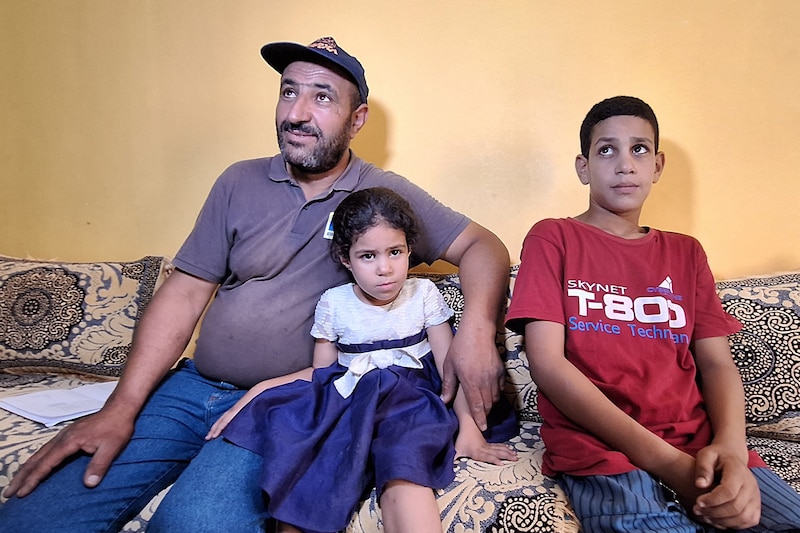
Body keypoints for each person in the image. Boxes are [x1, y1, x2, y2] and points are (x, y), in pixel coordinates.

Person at [0, 37, 512, 532]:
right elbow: (184, 294)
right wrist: (120, 406)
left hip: (285, 405)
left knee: (195, 526)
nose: (296, 113)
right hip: (190, 388)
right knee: (37, 514)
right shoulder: (237, 182)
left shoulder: (381, 196)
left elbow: (483, 247)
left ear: (357, 120)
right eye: (289, 91)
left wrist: (474, 330)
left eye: (322, 97)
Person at [505, 95, 800, 532]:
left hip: (700, 444)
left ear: (657, 166)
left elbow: (717, 363)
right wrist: (669, 465)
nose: (625, 164)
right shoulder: (554, 237)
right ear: (583, 167)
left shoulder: (686, 252)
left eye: (639, 149)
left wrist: (733, 450)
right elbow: (548, 364)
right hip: (601, 450)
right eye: (607, 150)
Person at [205, 187, 517, 533]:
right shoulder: (333, 303)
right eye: (368, 256)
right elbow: (322, 375)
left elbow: (451, 370)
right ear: (345, 258)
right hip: (354, 402)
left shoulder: (423, 295)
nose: (385, 268)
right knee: (309, 461)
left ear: (410, 249)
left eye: (395, 252)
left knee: (405, 462)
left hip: (415, 403)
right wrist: (260, 390)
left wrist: (469, 431)